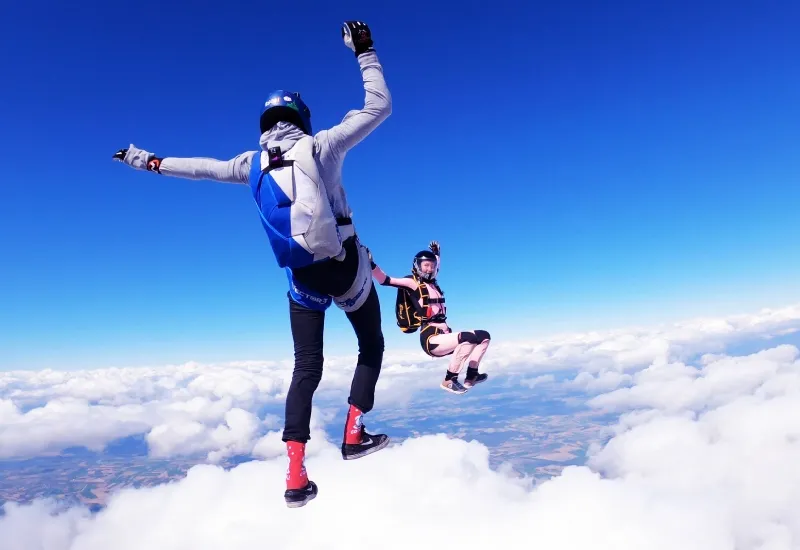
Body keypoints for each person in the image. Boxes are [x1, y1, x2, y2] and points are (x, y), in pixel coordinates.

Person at [112, 21, 391, 508]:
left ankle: (296, 476)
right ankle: (353, 435)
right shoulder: (322, 145)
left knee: (306, 368)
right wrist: (364, 51)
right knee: (371, 344)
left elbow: (198, 168)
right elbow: (378, 107)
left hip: (301, 279)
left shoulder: (249, 164)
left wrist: (145, 160)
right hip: (344, 268)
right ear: (301, 117)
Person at [369, 241, 491, 394]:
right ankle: (449, 380)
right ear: (417, 265)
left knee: (484, 336)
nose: (430, 268)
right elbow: (385, 280)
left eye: (432, 265)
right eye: (426, 265)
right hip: (431, 338)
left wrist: (437, 254)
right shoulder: (412, 283)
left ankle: (472, 376)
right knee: (469, 338)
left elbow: (436, 266)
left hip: (444, 335)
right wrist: (371, 264)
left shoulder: (432, 283)